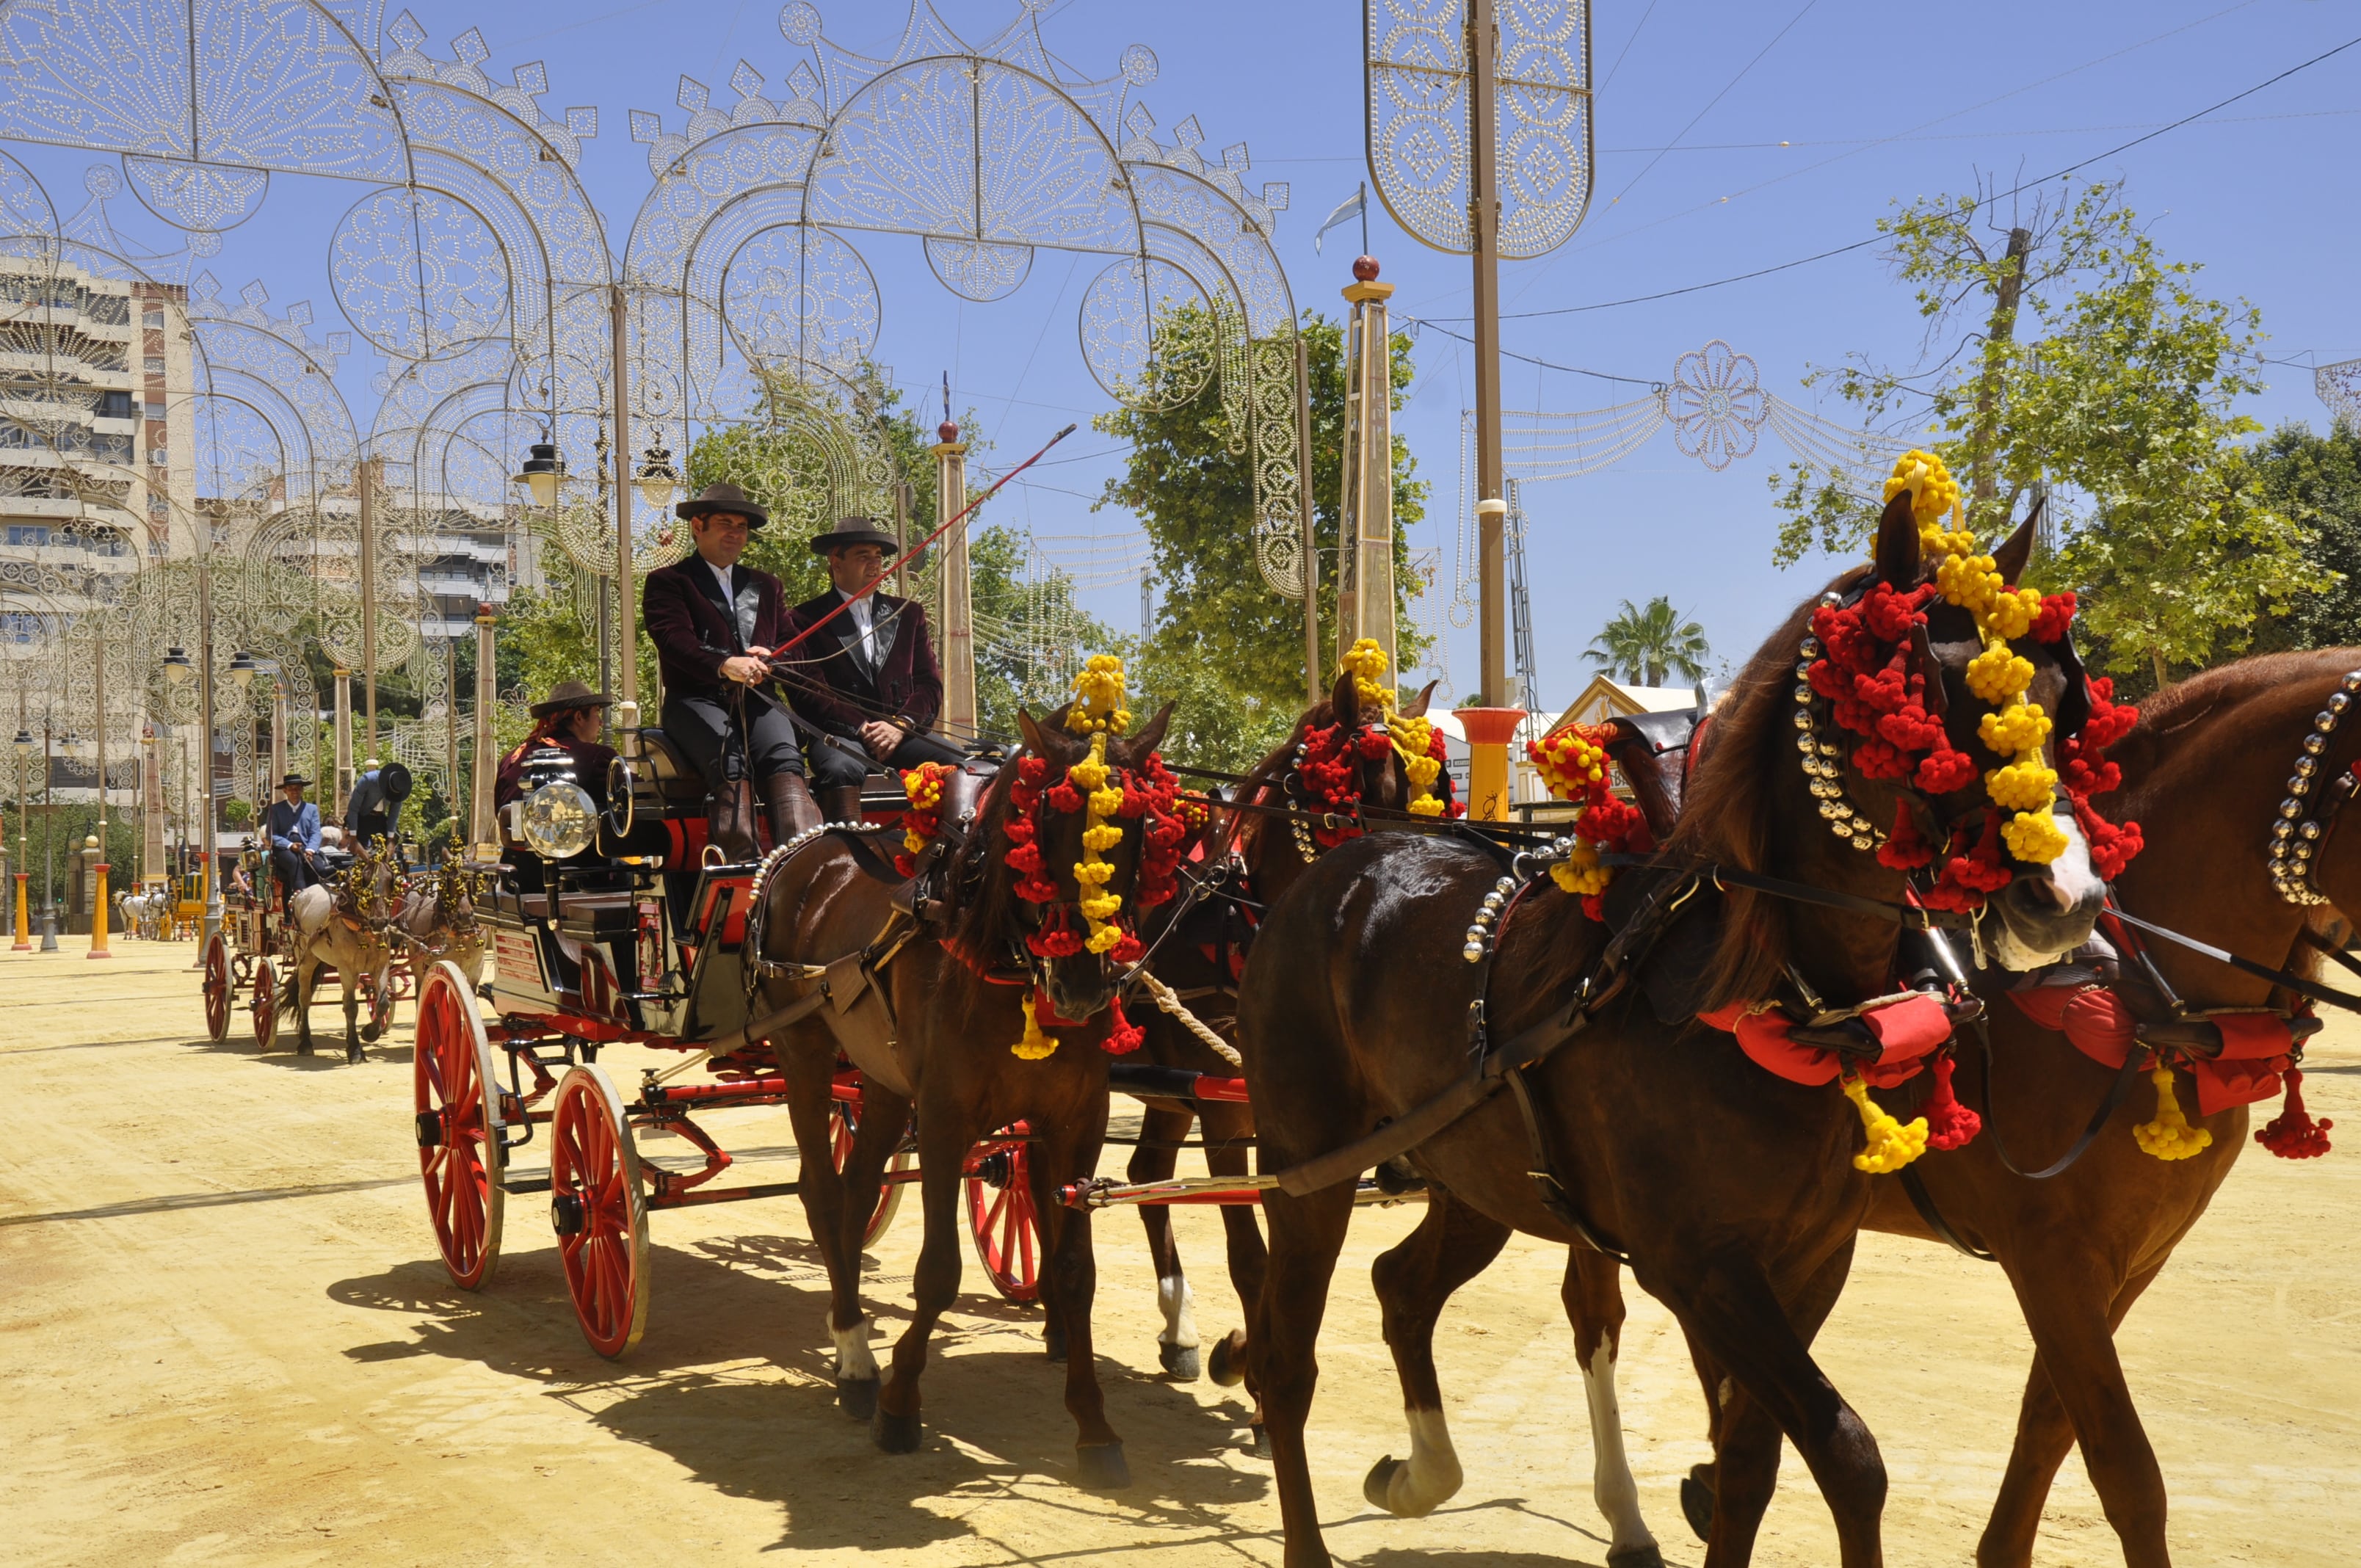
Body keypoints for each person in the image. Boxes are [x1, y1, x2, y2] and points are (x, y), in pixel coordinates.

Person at [642, 480, 822, 856]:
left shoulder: (767, 586)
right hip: (694, 700)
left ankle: (801, 864)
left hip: (758, 699)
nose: (736, 534)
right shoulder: (668, 582)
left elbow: (795, 651)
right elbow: (674, 640)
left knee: (786, 758)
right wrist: (725, 664)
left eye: (741, 527)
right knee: (731, 761)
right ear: (697, 526)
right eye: (726, 523)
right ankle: (736, 874)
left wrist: (772, 660)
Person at [776, 516, 964, 822]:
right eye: (863, 556)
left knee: (962, 763)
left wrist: (900, 725)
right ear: (836, 562)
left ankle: (949, 860)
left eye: (878, 557)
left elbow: (929, 685)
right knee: (840, 769)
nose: (875, 565)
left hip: (901, 733)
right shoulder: (803, 619)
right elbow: (807, 690)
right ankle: (845, 857)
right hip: (841, 736)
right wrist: (863, 727)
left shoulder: (908, 614)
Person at [497, 681, 619, 809]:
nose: (601, 723)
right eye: (597, 713)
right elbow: (635, 796)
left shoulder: (509, 761)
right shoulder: (598, 757)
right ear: (579, 717)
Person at [264, 772, 322, 899]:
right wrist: (290, 845)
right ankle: (299, 895)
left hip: (306, 847)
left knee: (320, 867)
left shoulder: (312, 809)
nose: (294, 791)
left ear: (302, 790)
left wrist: (310, 850)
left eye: (297, 788)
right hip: (284, 849)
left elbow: (316, 833)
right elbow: (271, 835)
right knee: (294, 862)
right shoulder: (275, 809)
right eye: (291, 789)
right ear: (285, 791)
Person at [344, 757, 410, 846]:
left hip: (381, 820)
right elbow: (353, 809)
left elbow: (394, 814)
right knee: (362, 850)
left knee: (383, 851)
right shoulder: (367, 780)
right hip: (362, 819)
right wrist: (353, 838)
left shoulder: (400, 787)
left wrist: (391, 840)